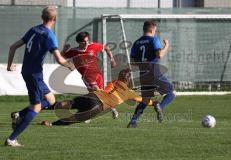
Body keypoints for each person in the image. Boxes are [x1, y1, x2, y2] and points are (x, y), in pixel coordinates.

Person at [5, 6, 74, 147]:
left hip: (28, 71)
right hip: (35, 74)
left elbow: (12, 47)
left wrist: (9, 66)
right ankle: (12, 139)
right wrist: (71, 66)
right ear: (54, 19)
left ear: (42, 17)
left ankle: (19, 114)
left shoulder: (33, 30)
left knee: (50, 99)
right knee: (36, 107)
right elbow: (59, 59)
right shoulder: (49, 35)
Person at [40, 68, 156, 126]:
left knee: (71, 103)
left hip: (94, 95)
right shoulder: (130, 92)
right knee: (75, 118)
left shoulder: (113, 82)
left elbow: (107, 91)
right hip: (98, 105)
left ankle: (42, 107)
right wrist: (154, 103)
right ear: (129, 80)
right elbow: (144, 101)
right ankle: (51, 124)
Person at [127, 20, 176, 128]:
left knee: (145, 99)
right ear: (152, 29)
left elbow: (132, 63)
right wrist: (167, 46)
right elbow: (160, 55)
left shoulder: (136, 43)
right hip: (154, 71)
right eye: (155, 30)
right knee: (172, 92)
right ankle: (160, 106)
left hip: (143, 74)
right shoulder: (154, 39)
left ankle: (133, 121)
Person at [62, 31, 119, 119]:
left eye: (87, 41)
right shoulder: (74, 51)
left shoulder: (93, 46)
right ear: (79, 42)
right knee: (98, 92)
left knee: (95, 96)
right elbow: (62, 56)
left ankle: (86, 114)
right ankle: (112, 109)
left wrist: (112, 59)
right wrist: (64, 50)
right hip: (87, 77)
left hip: (98, 75)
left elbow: (106, 48)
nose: (86, 43)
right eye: (84, 42)